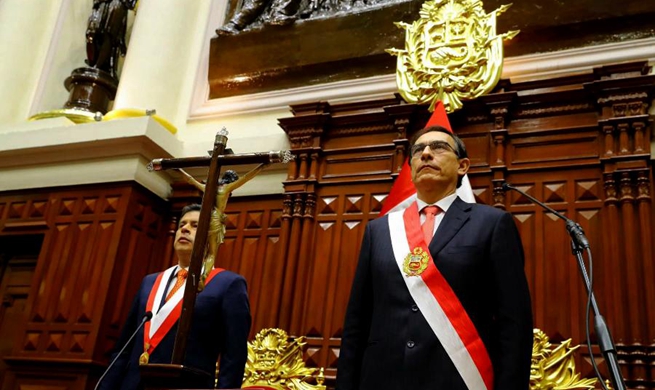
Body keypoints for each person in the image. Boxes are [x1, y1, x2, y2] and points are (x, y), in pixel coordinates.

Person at [336, 126, 533, 390]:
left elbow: (514, 323)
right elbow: (356, 321)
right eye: (418, 151)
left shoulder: (492, 224)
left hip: (458, 377)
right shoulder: (380, 230)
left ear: (463, 166)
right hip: (382, 377)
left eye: (439, 147)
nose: (426, 154)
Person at [99, 204, 251, 389]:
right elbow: (124, 347)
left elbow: (233, 356)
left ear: (211, 237)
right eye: (182, 225)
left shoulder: (227, 284)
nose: (185, 229)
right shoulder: (150, 282)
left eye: (195, 226)